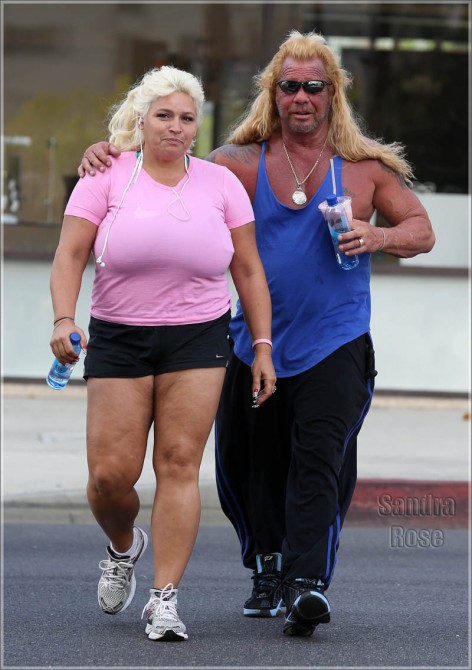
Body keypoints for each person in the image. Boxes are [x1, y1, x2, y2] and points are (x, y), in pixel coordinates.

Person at [78, 30, 435, 639]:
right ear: (274, 93)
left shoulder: (366, 171)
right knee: (246, 469)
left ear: (333, 94)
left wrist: (378, 237)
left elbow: (422, 230)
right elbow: (167, 161)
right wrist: (110, 151)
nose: (301, 96)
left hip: (335, 340)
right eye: (288, 85)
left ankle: (306, 585)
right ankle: (265, 568)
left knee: (319, 460)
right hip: (249, 342)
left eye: (313, 86)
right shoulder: (236, 166)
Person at [51, 65, 276, 643]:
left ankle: (165, 599)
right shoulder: (106, 175)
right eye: (164, 116)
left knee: (178, 463)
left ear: (197, 127)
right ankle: (124, 545)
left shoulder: (219, 183)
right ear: (142, 120)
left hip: (198, 337)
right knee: (108, 477)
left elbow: (248, 269)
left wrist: (262, 345)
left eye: (186, 118)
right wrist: (64, 318)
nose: (176, 128)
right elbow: (70, 254)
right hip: (120, 335)